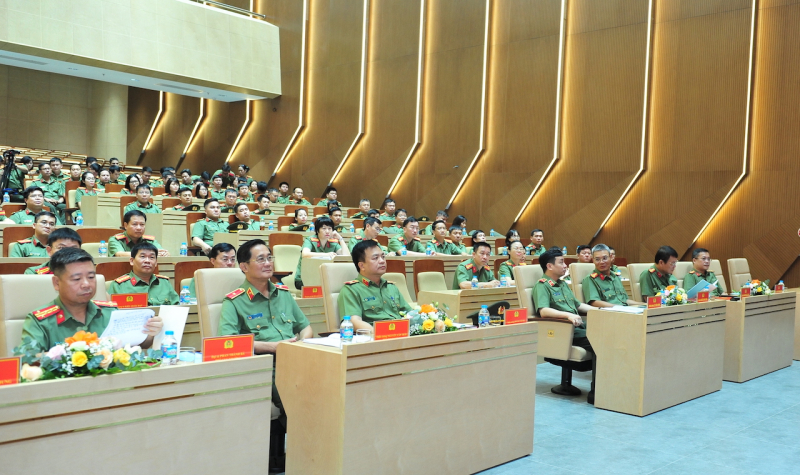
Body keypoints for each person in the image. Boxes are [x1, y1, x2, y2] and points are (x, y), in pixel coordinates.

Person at [218, 239, 310, 473]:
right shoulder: (234, 301)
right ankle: (308, 455)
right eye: (261, 259)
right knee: (299, 397)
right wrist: (274, 348)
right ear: (244, 266)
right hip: (267, 366)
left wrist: (301, 343)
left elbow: (305, 326)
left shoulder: (284, 294)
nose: (268, 263)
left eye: (270, 257)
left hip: (299, 356)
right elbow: (227, 343)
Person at [22, 248, 163, 350]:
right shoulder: (40, 321)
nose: (86, 284)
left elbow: (137, 343)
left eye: (91, 277)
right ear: (56, 283)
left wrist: (151, 332)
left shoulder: (110, 312)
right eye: (76, 279)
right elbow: (30, 360)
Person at [532, 248, 595, 403]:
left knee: (607, 334)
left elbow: (578, 305)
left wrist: (600, 311)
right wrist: (568, 315)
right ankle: (596, 390)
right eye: (561, 262)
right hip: (564, 331)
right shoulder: (542, 286)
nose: (565, 265)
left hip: (579, 328)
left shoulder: (562, 285)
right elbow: (544, 311)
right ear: (550, 266)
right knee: (600, 342)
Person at [338, 240, 412, 330]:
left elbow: (409, 313)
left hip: (401, 334)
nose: (382, 261)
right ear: (362, 266)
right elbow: (354, 321)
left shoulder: (391, 287)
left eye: (383, 257)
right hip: (375, 337)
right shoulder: (351, 290)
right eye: (375, 258)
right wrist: (378, 334)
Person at [108, 242, 179, 306]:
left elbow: (177, 308)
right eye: (142, 257)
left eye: (151, 257)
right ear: (132, 261)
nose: (147, 261)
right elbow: (110, 313)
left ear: (156, 263)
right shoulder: (119, 286)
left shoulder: (164, 283)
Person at [294, 217, 348, 289]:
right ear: (317, 230)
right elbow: (305, 254)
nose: (327, 231)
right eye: (324, 228)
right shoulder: (309, 240)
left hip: (324, 279)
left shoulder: (333, 242)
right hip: (303, 279)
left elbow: (346, 256)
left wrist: (340, 239)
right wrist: (326, 255)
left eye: (329, 228)